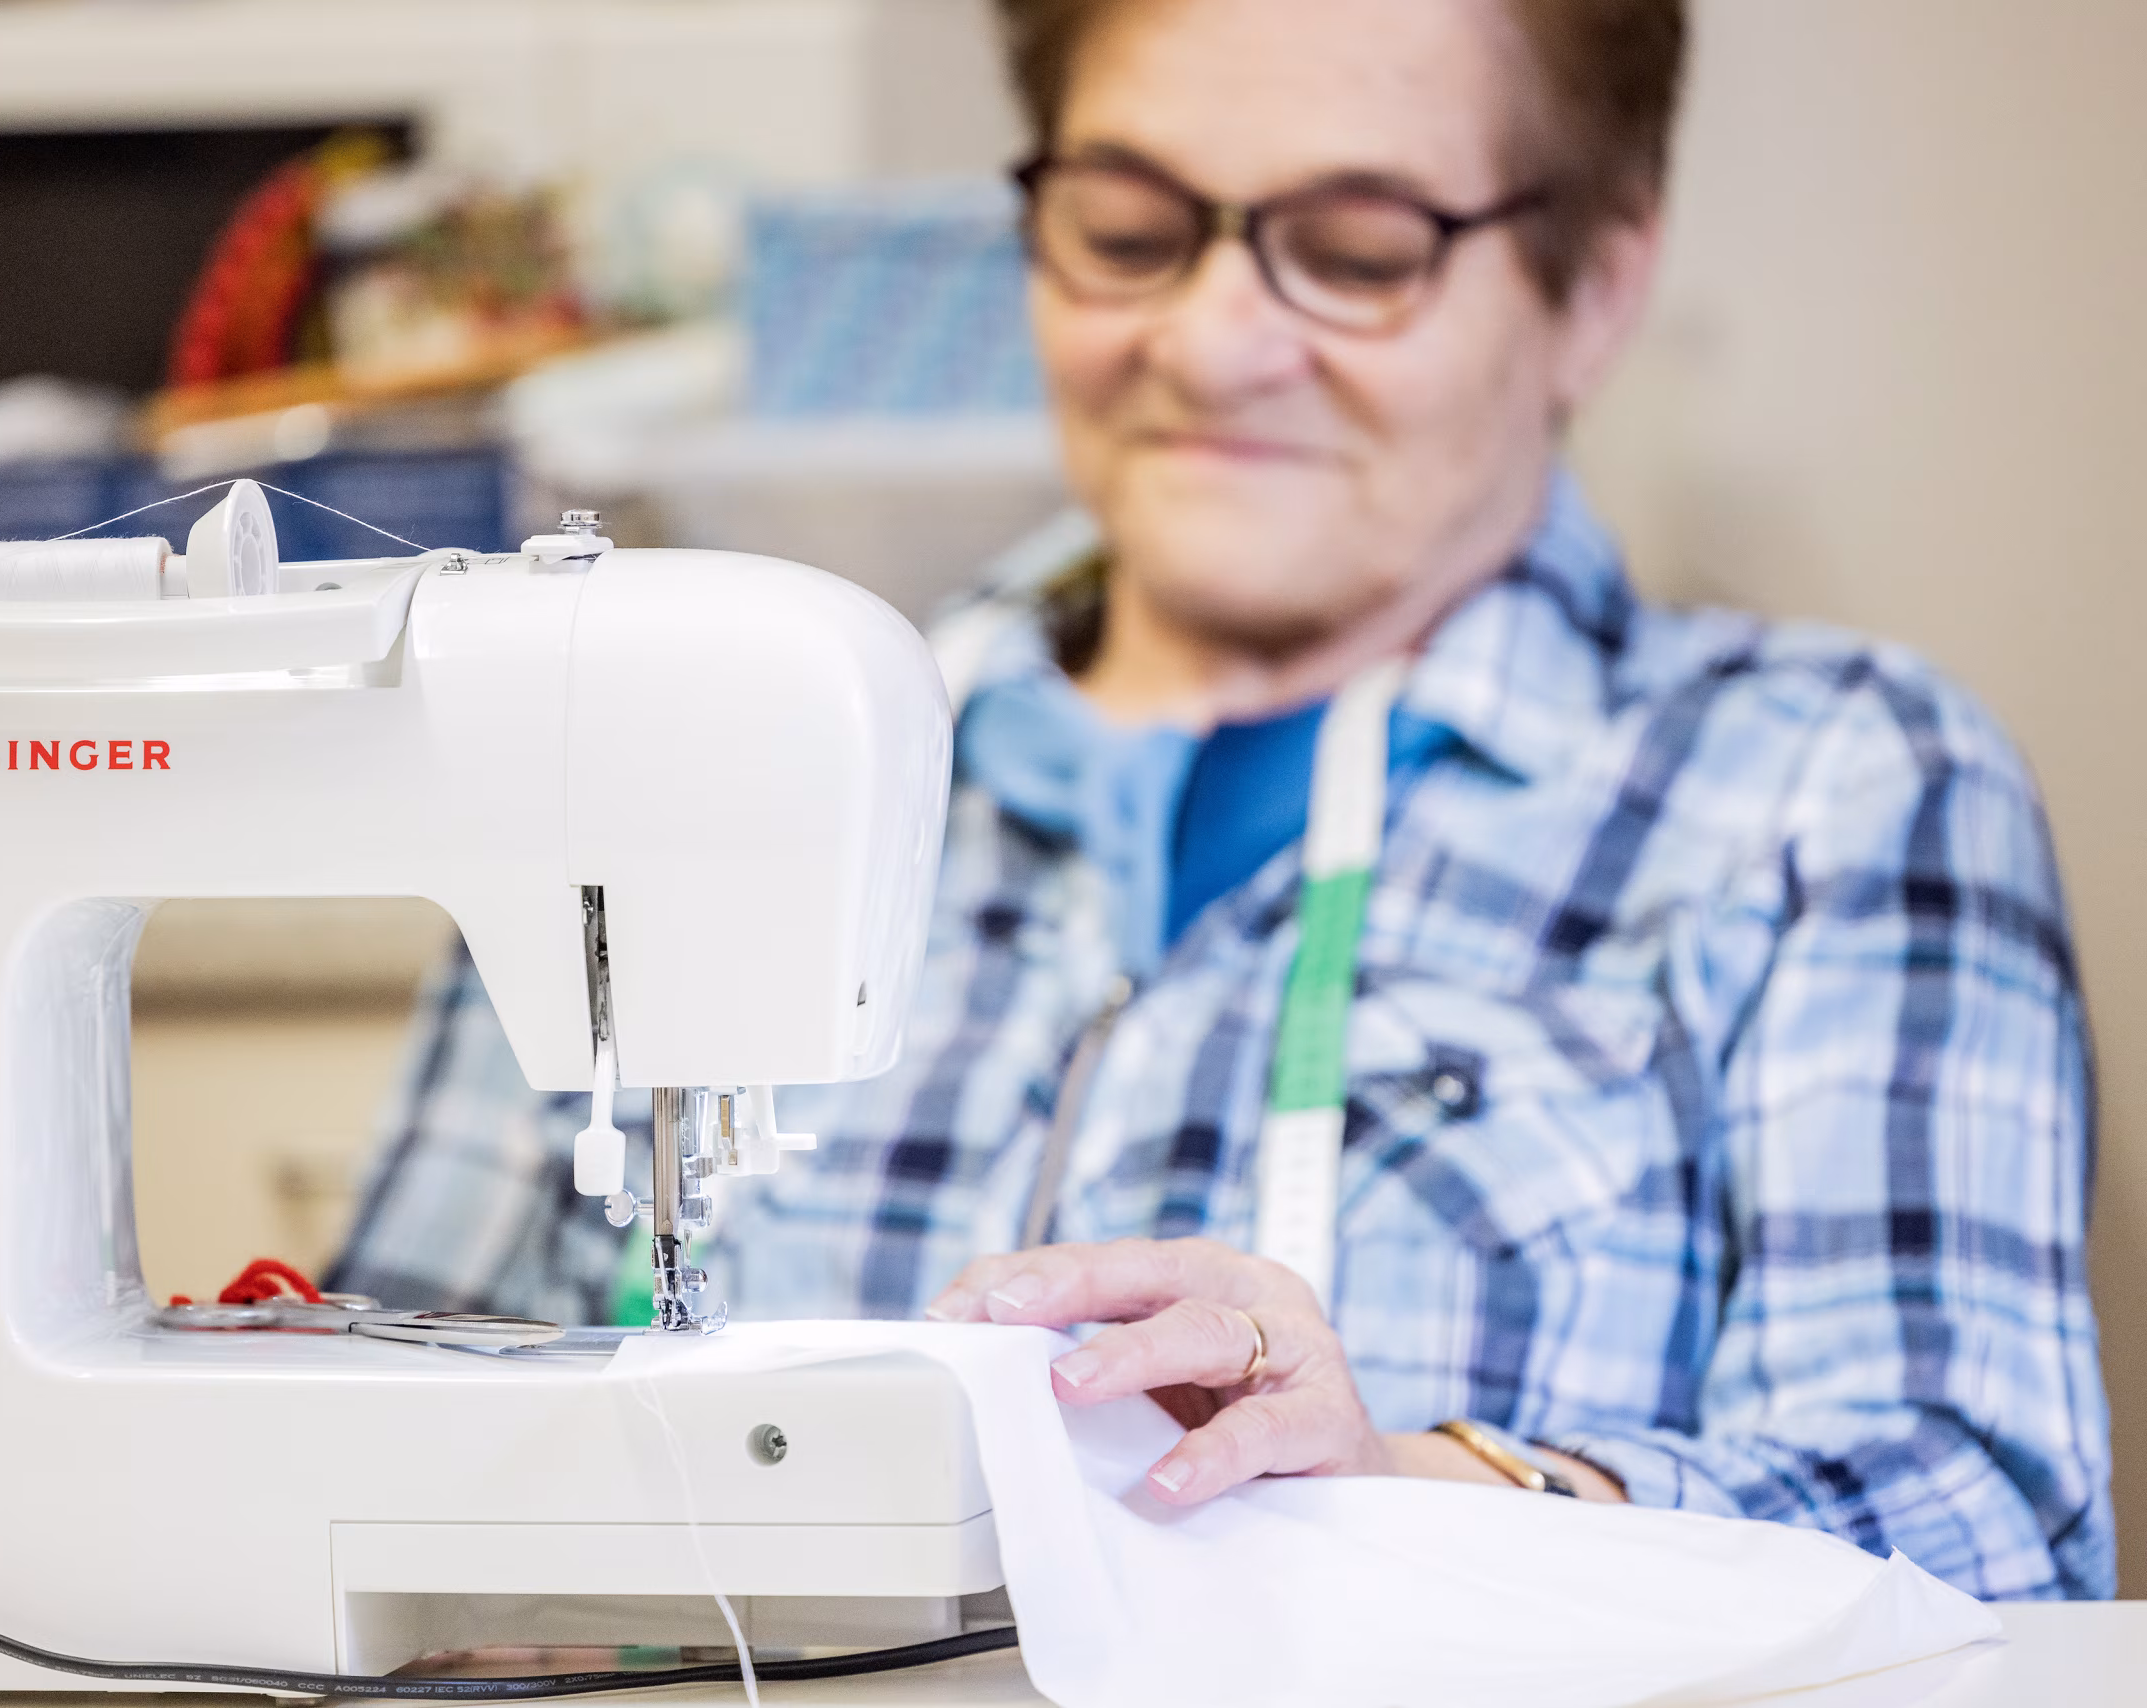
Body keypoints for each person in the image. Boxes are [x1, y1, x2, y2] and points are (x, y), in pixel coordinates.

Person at [329, 0, 2112, 1598]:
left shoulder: (1825, 783)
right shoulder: (696, 771)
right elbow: (359, 1438)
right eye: (1126, 231)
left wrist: (1424, 1488)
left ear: (1596, 289)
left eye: (1355, 247)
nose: (1210, 340)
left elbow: (1992, 1514)